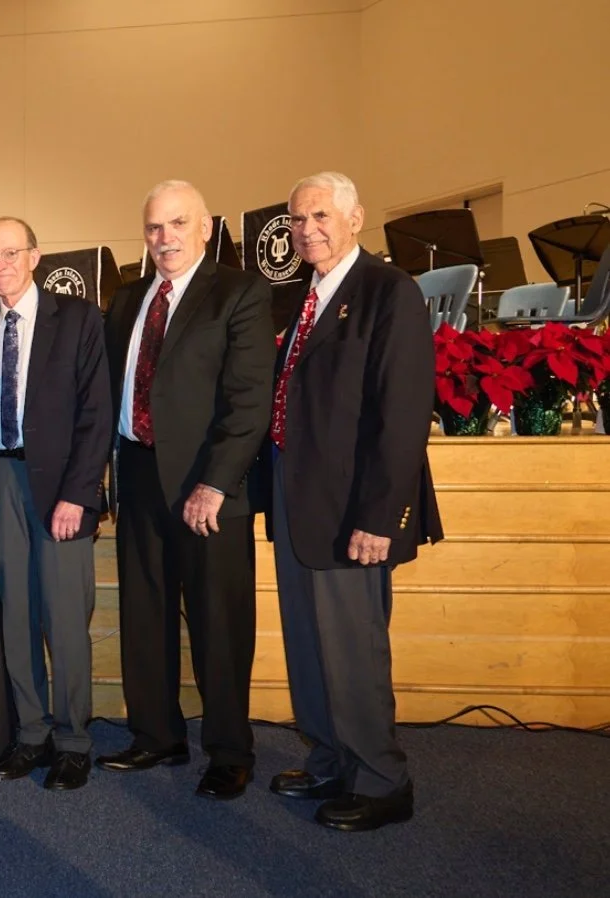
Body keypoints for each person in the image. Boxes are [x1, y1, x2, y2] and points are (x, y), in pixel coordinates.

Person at [260, 171, 442, 831]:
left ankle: (382, 780)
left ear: (356, 217)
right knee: (309, 643)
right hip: (295, 497)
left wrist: (380, 518)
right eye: (297, 220)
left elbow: (402, 416)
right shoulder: (301, 297)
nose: (307, 229)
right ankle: (331, 758)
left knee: (353, 648)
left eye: (320, 216)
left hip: (353, 509)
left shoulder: (387, 293)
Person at [97, 181, 274, 799]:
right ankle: (156, 736)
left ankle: (229, 750)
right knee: (143, 614)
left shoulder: (240, 292)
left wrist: (215, 483)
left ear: (205, 227)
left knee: (218, 621)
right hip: (139, 474)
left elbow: (249, 401)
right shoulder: (126, 302)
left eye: (176, 224)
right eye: (152, 227)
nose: (163, 237)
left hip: (207, 485)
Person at [0, 217, 112, 792]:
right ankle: (30, 733)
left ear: (35, 256)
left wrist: (79, 493)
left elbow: (97, 413)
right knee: (14, 615)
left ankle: (72, 740)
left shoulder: (77, 319)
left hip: (60, 489)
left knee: (66, 619)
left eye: (10, 253)